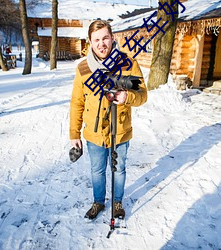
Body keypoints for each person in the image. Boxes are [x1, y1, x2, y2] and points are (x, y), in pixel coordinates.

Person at [69, 20, 147, 220]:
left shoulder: (129, 63)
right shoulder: (84, 68)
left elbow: (142, 95)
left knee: (119, 168)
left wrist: (127, 97)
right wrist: (74, 134)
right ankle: (98, 202)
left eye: (105, 38)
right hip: (94, 133)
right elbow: (77, 102)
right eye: (96, 40)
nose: (101, 43)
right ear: (90, 42)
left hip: (120, 130)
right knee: (97, 170)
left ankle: (118, 202)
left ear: (112, 38)